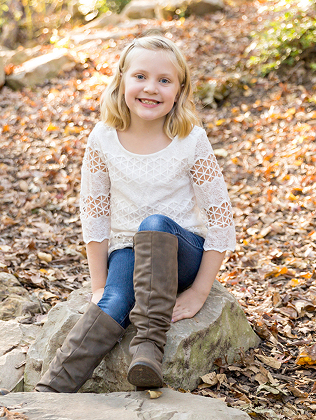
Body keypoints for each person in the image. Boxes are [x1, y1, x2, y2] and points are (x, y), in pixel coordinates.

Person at [35, 35, 236, 393]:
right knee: (113, 299)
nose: (151, 88)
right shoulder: (103, 138)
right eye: (140, 76)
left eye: (164, 80)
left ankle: (148, 347)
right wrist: (98, 284)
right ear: (122, 80)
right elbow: (94, 213)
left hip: (179, 253)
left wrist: (200, 291)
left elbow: (220, 218)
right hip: (128, 250)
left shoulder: (191, 140)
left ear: (179, 89)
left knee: (154, 225)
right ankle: (52, 388)